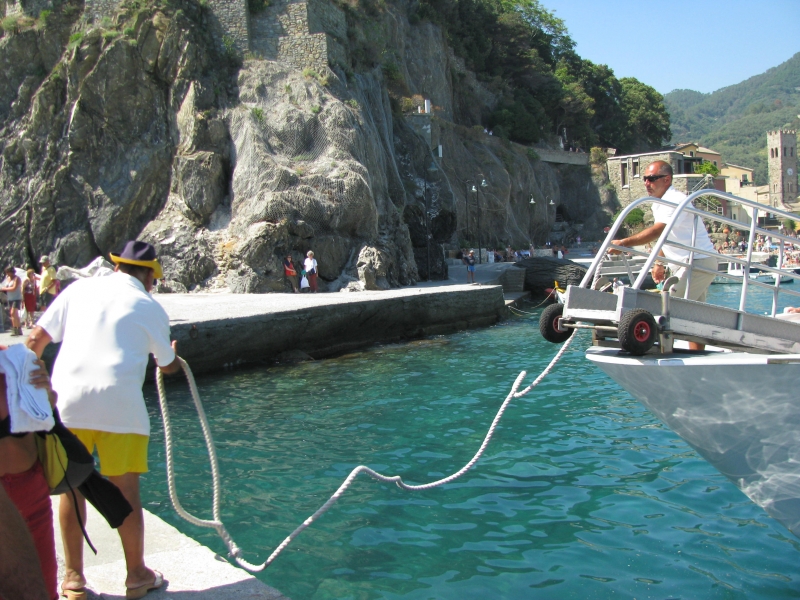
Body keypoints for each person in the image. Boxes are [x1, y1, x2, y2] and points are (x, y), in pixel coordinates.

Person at [26, 240, 180, 600]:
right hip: (121, 408)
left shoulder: (78, 289)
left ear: (116, 267)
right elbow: (167, 366)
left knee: (73, 487)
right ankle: (137, 576)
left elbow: (35, 339)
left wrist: (33, 386)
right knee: (125, 490)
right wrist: (173, 356)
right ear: (148, 276)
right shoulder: (149, 305)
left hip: (68, 402)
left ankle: (74, 579)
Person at [611, 160, 718, 350]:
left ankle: (661, 353)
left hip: (698, 263)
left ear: (667, 179)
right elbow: (664, 236)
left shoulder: (675, 198)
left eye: (651, 179)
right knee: (694, 318)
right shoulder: (658, 204)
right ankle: (697, 358)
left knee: (666, 311)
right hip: (687, 264)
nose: (646, 183)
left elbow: (658, 230)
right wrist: (659, 262)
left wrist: (624, 243)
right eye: (644, 179)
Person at [1, 344, 59, 600]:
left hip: (32, 492)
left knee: (41, 586)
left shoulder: (14, 358)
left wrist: (44, 391)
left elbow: (46, 414)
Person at [1, 267, 23, 336]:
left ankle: (15, 329)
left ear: (12, 272)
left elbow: (14, 288)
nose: (7, 274)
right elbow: (6, 286)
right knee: (14, 314)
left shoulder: (17, 279)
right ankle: (17, 329)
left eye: (8, 272)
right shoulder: (8, 279)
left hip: (16, 298)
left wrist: (3, 289)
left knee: (13, 312)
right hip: (10, 298)